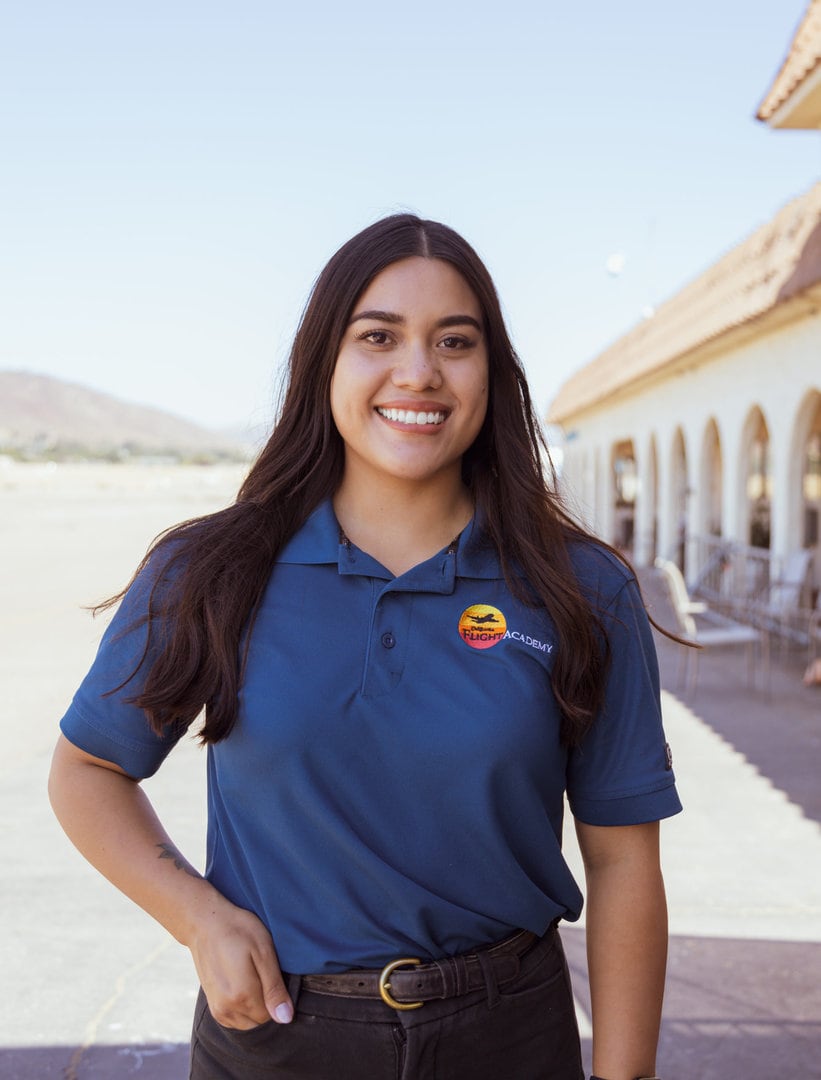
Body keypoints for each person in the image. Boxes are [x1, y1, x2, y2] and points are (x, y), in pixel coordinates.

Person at [49, 214, 681, 1080]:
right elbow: (87, 770)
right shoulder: (211, 571)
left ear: (492, 372)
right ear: (325, 364)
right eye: (377, 336)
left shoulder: (581, 590)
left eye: (454, 341)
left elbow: (619, 859)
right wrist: (198, 916)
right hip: (273, 1039)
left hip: (509, 1039)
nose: (417, 371)